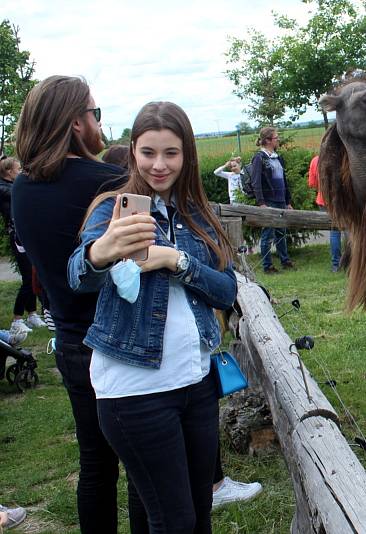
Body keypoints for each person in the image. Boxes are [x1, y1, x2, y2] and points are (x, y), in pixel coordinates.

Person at [68, 101, 237, 534]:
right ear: (133, 154)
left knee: (197, 509)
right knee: (175, 519)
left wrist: (177, 261)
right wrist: (99, 254)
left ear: (188, 155)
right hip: (134, 391)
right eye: (148, 153)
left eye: (171, 153)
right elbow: (77, 276)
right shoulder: (111, 210)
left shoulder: (199, 215)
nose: (159, 165)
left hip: (195, 383)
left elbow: (227, 290)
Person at [12, 76, 147, 534]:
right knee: (141, 464)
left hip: (70, 339)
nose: (98, 122)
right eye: (95, 113)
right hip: (121, 338)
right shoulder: (108, 181)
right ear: (75, 122)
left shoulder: (22, 189)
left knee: (95, 466)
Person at [0, 156, 47, 334]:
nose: (21, 173)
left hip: (24, 237)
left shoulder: (12, 186)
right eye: (18, 170)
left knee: (32, 276)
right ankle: (17, 319)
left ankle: (32, 314)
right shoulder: (5, 189)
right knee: (28, 279)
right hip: (18, 239)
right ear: (9, 172)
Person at [250, 127, 294, 273]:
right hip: (268, 201)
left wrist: (288, 201)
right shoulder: (259, 157)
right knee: (268, 234)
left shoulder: (277, 157)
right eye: (276, 138)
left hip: (281, 200)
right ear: (268, 140)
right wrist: (261, 202)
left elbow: (284, 180)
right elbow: (256, 181)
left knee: (281, 232)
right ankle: (267, 265)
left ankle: (285, 260)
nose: (278, 140)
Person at [307, 154, 342, 272]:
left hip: (323, 200)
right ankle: (351, 262)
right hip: (341, 200)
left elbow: (312, 183)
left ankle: (336, 264)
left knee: (334, 232)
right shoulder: (340, 157)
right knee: (349, 231)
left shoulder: (315, 160)